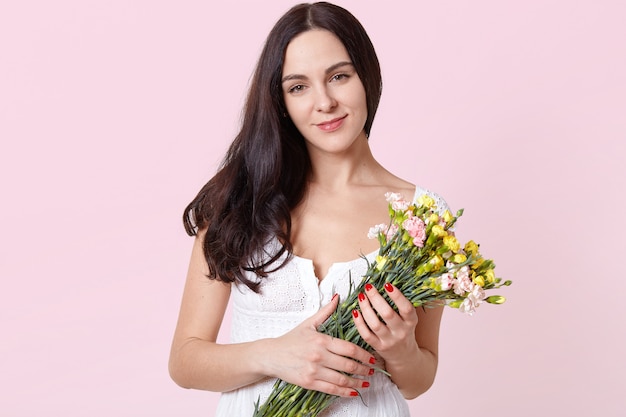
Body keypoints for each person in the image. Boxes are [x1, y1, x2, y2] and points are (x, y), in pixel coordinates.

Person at [169, 2, 449, 416]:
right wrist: (273, 355)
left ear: (366, 78)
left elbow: (419, 380)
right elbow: (184, 361)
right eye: (298, 86)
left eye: (339, 76)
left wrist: (401, 349)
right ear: (280, 101)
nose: (325, 102)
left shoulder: (421, 215)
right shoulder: (237, 199)